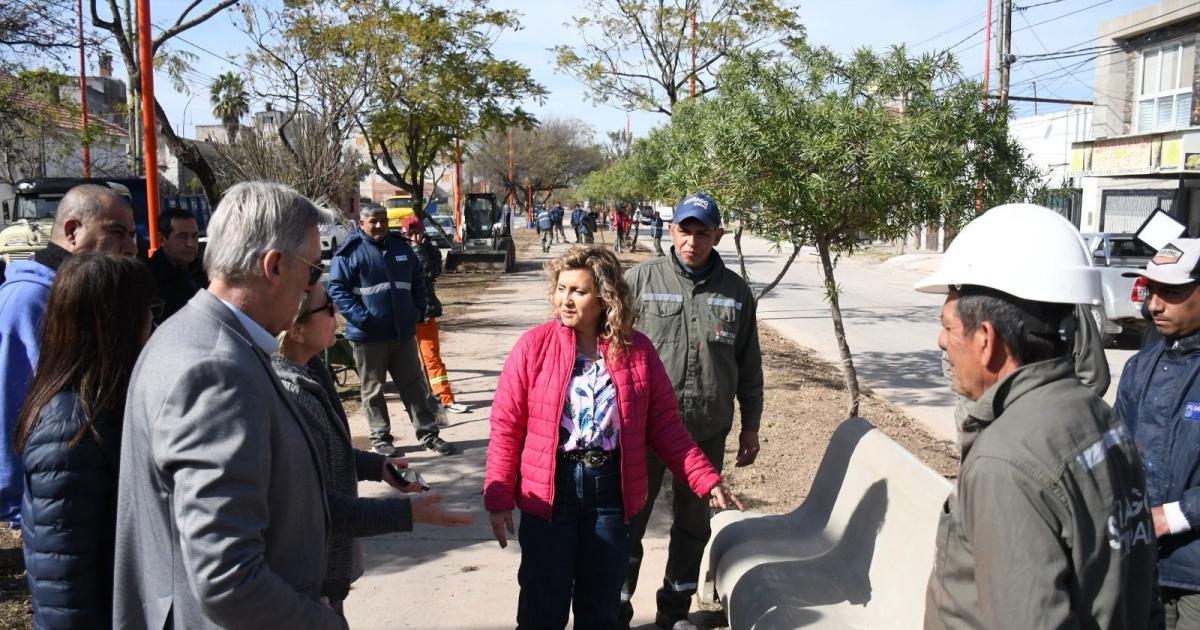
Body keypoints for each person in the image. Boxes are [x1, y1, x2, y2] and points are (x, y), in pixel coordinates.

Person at [114, 182, 346, 629]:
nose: (313, 285)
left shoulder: (193, 335)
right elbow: (227, 578)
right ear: (274, 265)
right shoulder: (216, 369)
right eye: (313, 270)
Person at [916, 203, 1155, 629]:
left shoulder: (1006, 463)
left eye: (949, 328)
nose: (940, 342)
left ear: (986, 340)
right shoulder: (1099, 418)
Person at [484, 245, 742, 630]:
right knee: (541, 609)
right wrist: (499, 495)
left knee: (600, 611)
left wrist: (705, 478)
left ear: (605, 297)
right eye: (560, 288)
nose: (565, 299)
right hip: (550, 492)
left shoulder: (637, 352)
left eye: (578, 291)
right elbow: (507, 426)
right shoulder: (533, 347)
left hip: (609, 496)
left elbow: (667, 427)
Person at [272, 284, 473, 611]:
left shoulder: (311, 371)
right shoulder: (291, 395)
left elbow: (322, 452)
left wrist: (376, 467)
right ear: (296, 330)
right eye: (328, 308)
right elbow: (318, 507)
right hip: (309, 582)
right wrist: (407, 513)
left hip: (326, 572)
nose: (336, 314)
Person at [620, 193, 763, 630]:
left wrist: (750, 427)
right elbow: (609, 352)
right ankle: (614, 612)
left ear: (717, 235)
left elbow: (748, 365)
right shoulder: (638, 281)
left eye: (703, 232)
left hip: (705, 432)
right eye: (686, 230)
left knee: (691, 527)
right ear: (671, 230)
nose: (693, 241)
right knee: (627, 525)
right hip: (642, 432)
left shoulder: (736, 291)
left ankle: (674, 613)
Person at [16, 253, 154, 628]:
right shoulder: (69, 427)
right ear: (116, 321)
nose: (153, 322)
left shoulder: (104, 404)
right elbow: (63, 577)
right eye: (146, 309)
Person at [0, 184, 136, 528]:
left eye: (132, 234)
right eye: (117, 233)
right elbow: (8, 403)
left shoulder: (88, 296)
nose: (131, 248)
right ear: (72, 232)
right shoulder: (28, 300)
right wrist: (21, 507)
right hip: (49, 509)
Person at [1115, 238, 1200, 628]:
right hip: (1144, 562)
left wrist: (1174, 515)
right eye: (1152, 290)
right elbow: (1116, 452)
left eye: (1171, 292)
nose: (1154, 305)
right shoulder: (1139, 366)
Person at [328, 205, 455, 457]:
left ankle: (428, 434)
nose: (379, 226)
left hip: (403, 334)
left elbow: (419, 279)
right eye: (373, 221)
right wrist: (363, 319)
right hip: (368, 337)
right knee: (373, 389)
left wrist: (418, 311)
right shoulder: (349, 253)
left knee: (414, 386)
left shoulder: (400, 247)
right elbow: (338, 290)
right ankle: (381, 438)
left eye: (383, 221)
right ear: (361, 223)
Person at [401, 217, 469, 415]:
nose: (413, 237)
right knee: (408, 362)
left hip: (425, 313)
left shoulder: (429, 250)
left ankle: (445, 399)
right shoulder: (397, 251)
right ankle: (415, 402)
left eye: (416, 233)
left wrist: (418, 250)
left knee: (432, 358)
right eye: (409, 234)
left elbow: (429, 272)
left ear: (422, 232)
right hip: (404, 316)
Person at [147, 206, 208, 324]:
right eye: (182, 237)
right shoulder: (148, 277)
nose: (190, 243)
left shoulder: (206, 270)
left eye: (194, 236)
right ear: (162, 239)